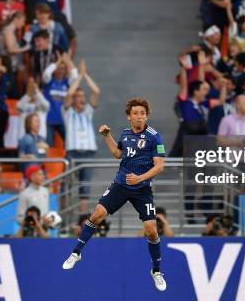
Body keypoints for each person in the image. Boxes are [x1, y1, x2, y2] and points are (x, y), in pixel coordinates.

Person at [62, 98, 167, 292]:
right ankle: (76, 253)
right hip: (120, 184)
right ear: (129, 117)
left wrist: (140, 178)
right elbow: (118, 154)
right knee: (97, 214)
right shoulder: (126, 134)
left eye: (142, 113)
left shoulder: (154, 136)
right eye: (135, 113)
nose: (139, 117)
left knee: (151, 229)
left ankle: (157, 271)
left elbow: (160, 166)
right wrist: (107, 136)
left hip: (142, 188)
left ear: (147, 116)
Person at [63, 59, 100, 211]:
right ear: (73, 100)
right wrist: (79, 77)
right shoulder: (67, 112)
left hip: (89, 154)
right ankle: (63, 222)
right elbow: (69, 93)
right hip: (72, 153)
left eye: (83, 96)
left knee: (84, 190)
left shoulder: (88, 113)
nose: (82, 99)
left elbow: (96, 91)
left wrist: (85, 75)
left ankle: (80, 220)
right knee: (66, 187)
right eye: (78, 97)